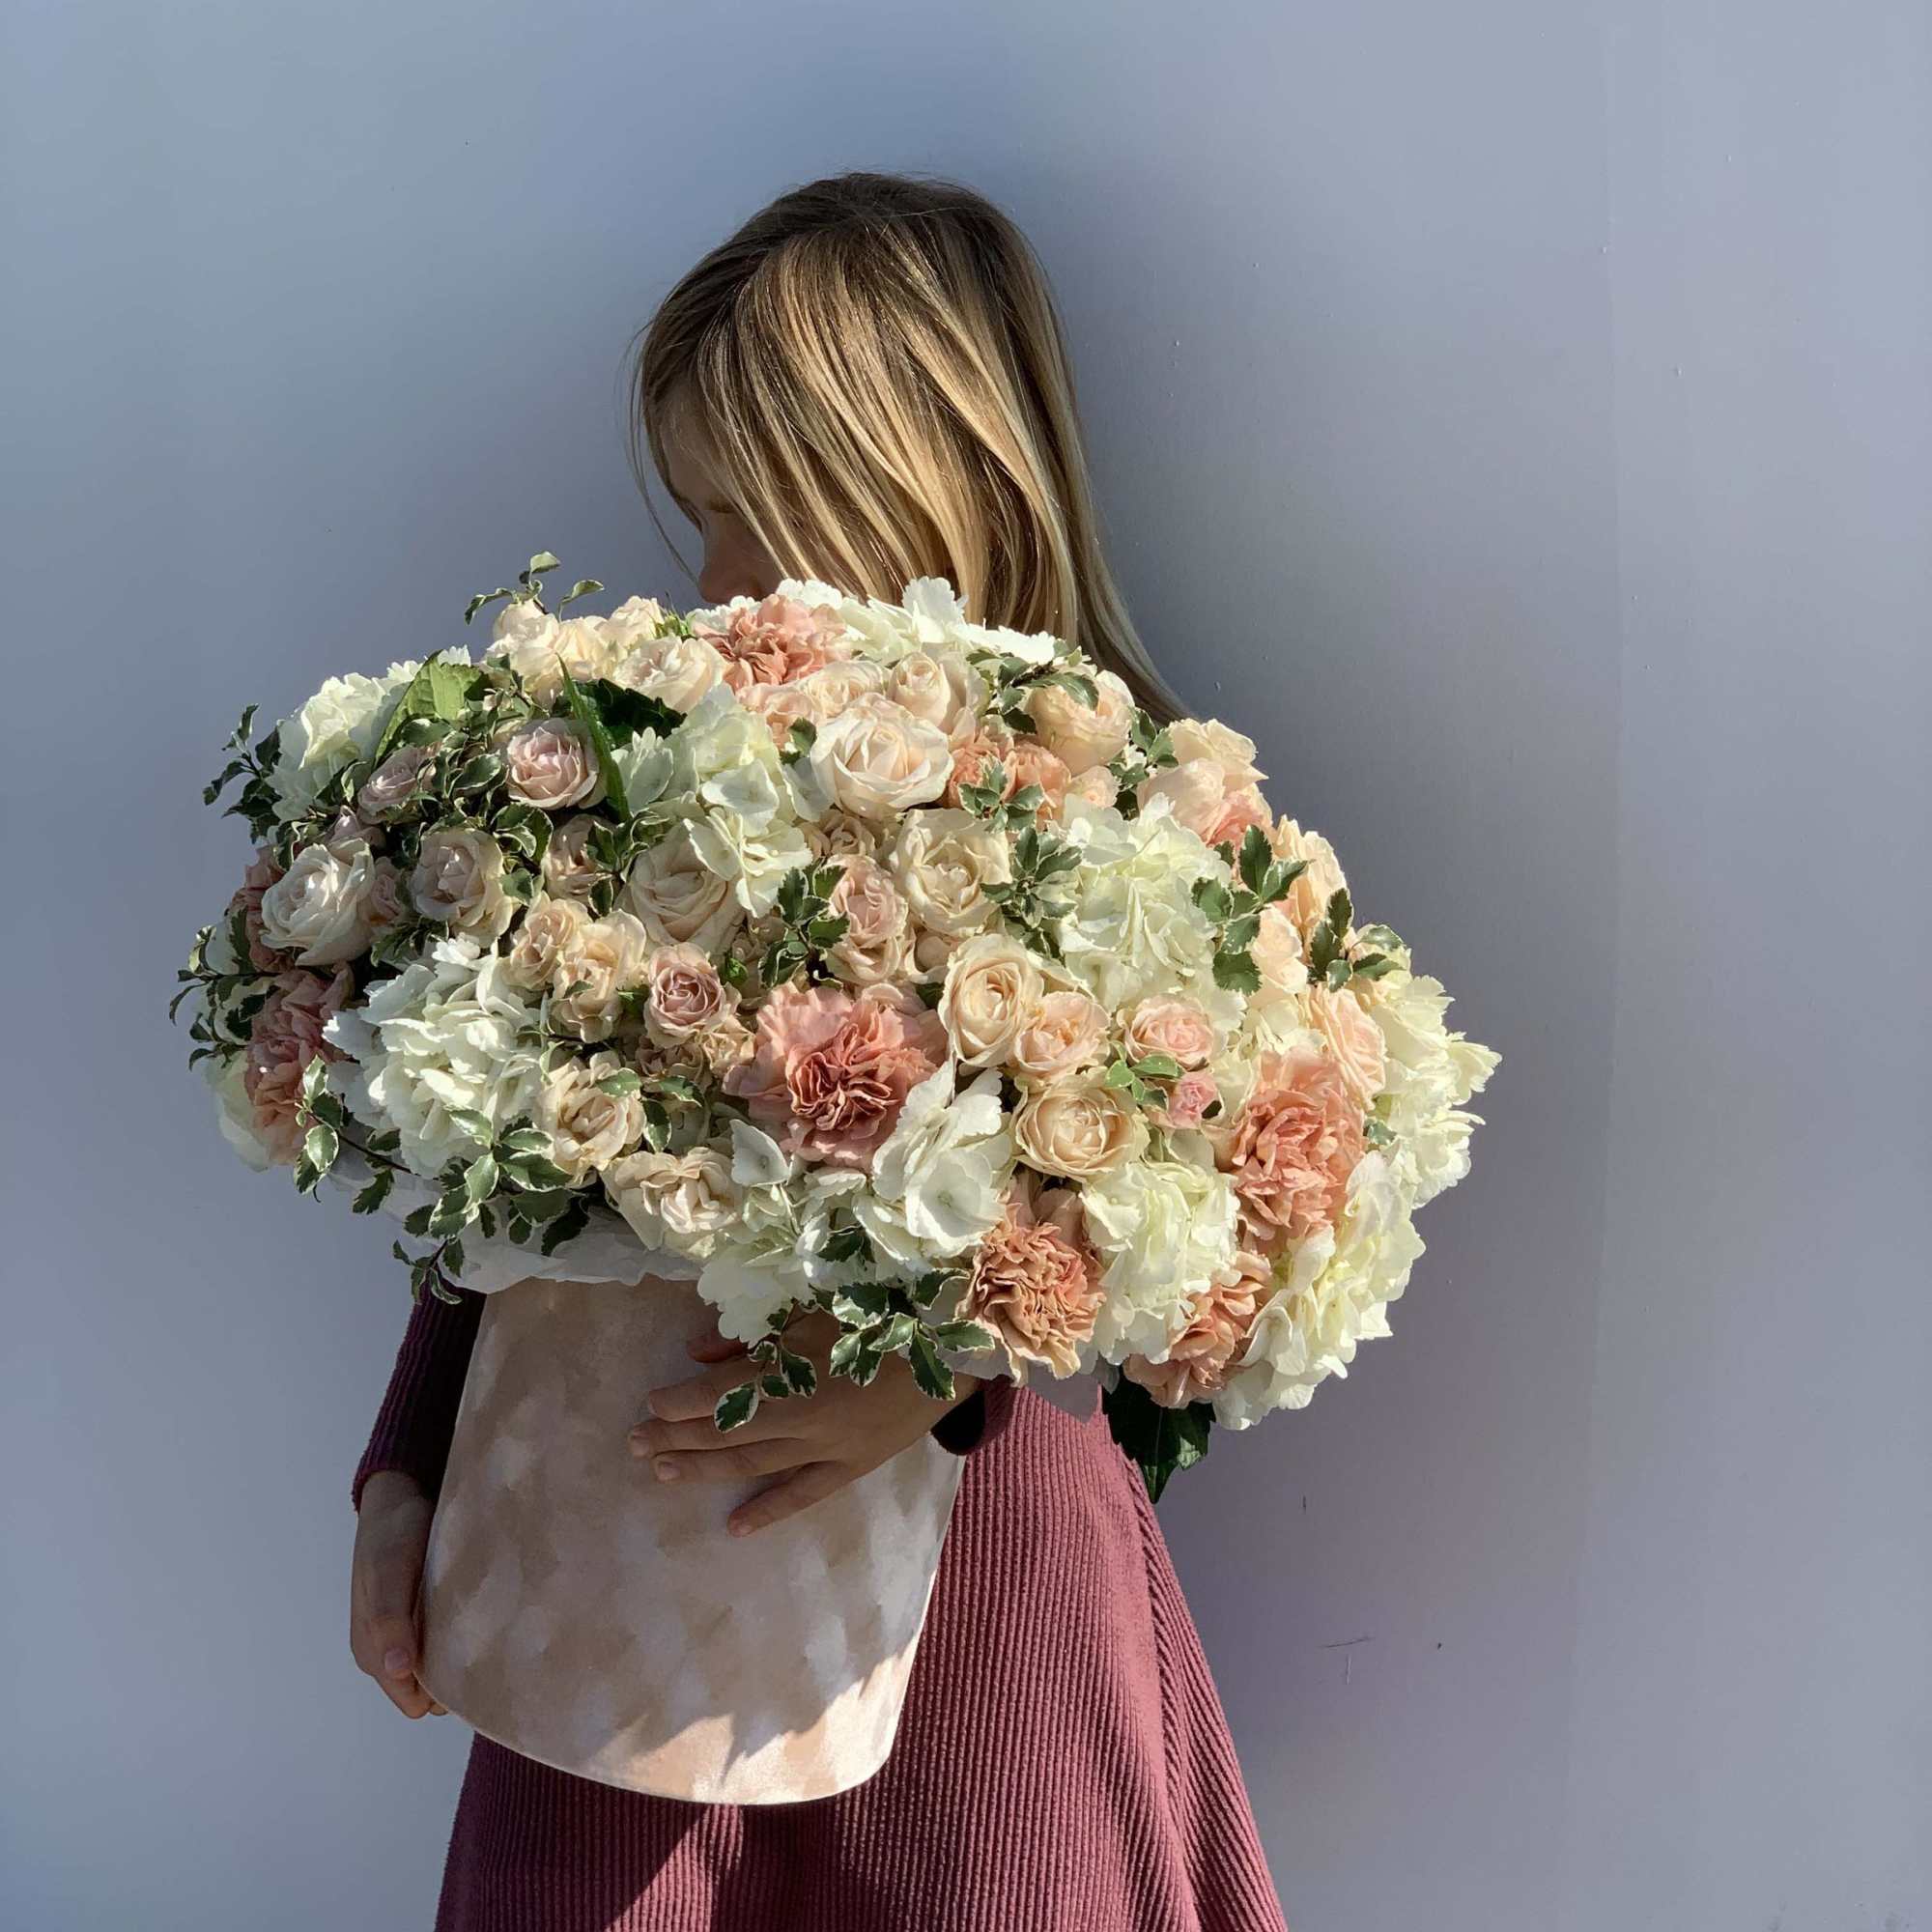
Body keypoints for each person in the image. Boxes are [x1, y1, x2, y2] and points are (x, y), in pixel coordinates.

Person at [348, 169, 1290, 1932]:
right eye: (695, 514)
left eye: (746, 511)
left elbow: (1208, 1248)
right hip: (623, 1582)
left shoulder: (1142, 820)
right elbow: (503, 1165)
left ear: (916, 481)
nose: (708, 578)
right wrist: (409, 1459)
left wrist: (938, 1383)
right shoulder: (637, 787)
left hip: (988, 1600)